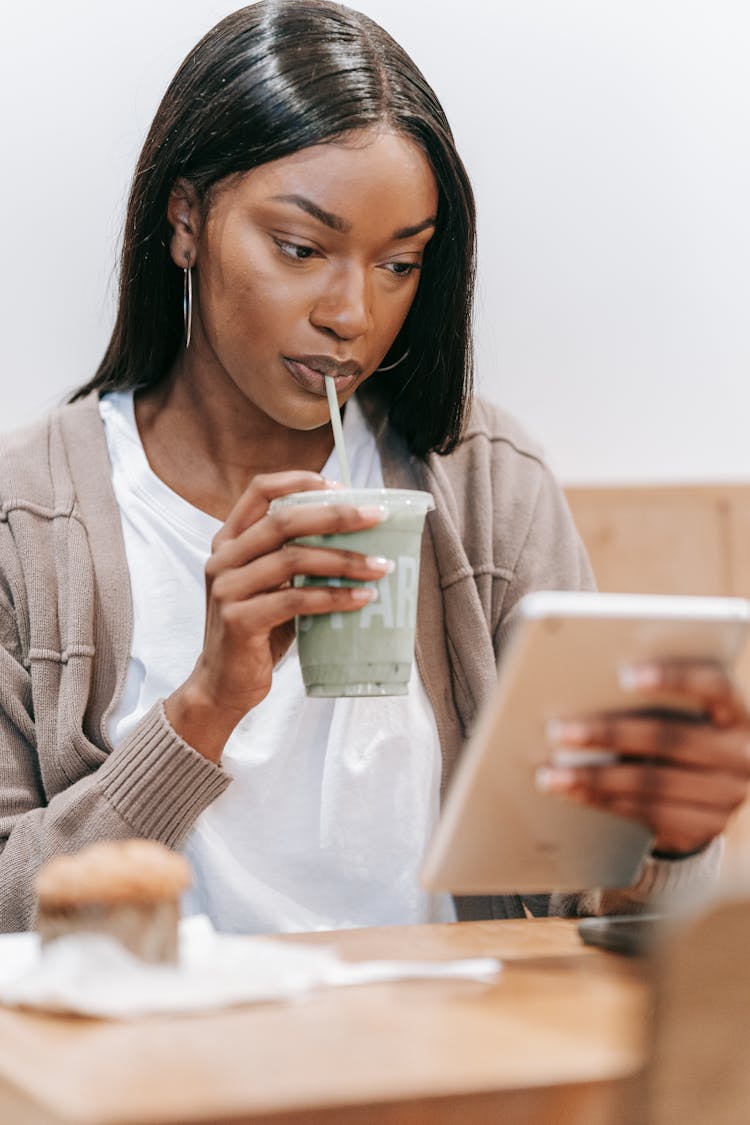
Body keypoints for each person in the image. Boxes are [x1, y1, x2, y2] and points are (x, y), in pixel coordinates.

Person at [1, 0, 748, 934]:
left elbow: (588, 907)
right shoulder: (29, 516)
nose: (352, 312)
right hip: (160, 1072)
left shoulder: (485, 483)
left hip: (445, 1049)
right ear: (185, 221)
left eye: (400, 263)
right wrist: (206, 704)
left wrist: (668, 844)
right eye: (301, 248)